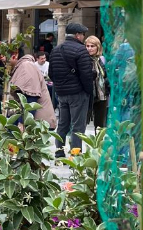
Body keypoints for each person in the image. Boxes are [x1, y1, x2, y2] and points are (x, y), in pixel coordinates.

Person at [48, 22, 94, 154]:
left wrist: (61, 85)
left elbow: (51, 73)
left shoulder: (56, 50)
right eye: (83, 34)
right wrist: (88, 91)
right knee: (78, 126)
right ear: (77, 35)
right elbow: (86, 75)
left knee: (63, 124)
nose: (84, 37)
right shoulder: (81, 51)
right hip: (78, 93)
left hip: (61, 93)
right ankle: (75, 154)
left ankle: (59, 152)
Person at [11, 49, 56, 127]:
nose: (2, 59)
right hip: (33, 122)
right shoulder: (23, 66)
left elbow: (32, 97)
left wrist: (22, 123)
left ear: (15, 55)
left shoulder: (26, 66)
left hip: (36, 123)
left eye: (5, 56)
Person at [85, 35, 109, 129]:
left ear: (97, 47)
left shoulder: (99, 60)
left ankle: (99, 143)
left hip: (102, 95)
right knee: (82, 123)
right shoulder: (83, 59)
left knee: (100, 125)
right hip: (89, 95)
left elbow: (105, 75)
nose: (89, 48)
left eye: (92, 46)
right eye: (87, 46)